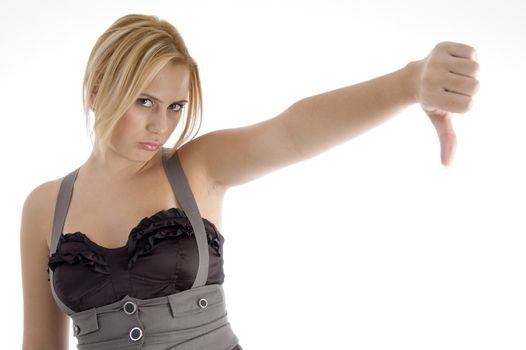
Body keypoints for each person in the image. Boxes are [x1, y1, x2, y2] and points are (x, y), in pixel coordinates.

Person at [20, 13, 480, 350]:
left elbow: (292, 132)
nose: (161, 125)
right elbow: (40, 345)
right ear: (98, 91)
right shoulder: (45, 206)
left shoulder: (198, 167)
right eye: (144, 101)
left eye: (175, 106)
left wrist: (406, 82)